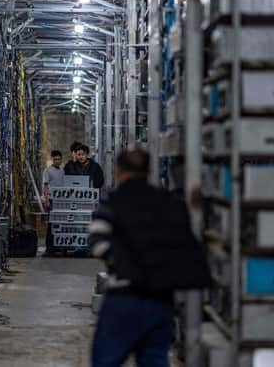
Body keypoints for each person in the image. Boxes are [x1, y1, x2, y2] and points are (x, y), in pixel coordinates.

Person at [89, 149, 210, 367]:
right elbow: (187, 247)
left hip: (124, 297)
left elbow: (97, 241)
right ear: (149, 171)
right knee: (155, 359)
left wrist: (122, 264)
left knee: (106, 360)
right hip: (160, 300)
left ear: (118, 171)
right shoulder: (168, 202)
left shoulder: (115, 202)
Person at [42, 150, 65, 255]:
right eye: (55, 159)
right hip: (51, 200)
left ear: (61, 160)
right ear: (52, 159)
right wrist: (46, 200)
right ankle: (49, 248)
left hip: (60, 200)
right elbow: (45, 186)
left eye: (58, 159)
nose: (57, 161)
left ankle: (57, 247)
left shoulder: (62, 171)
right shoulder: (48, 171)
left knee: (60, 223)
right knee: (51, 224)